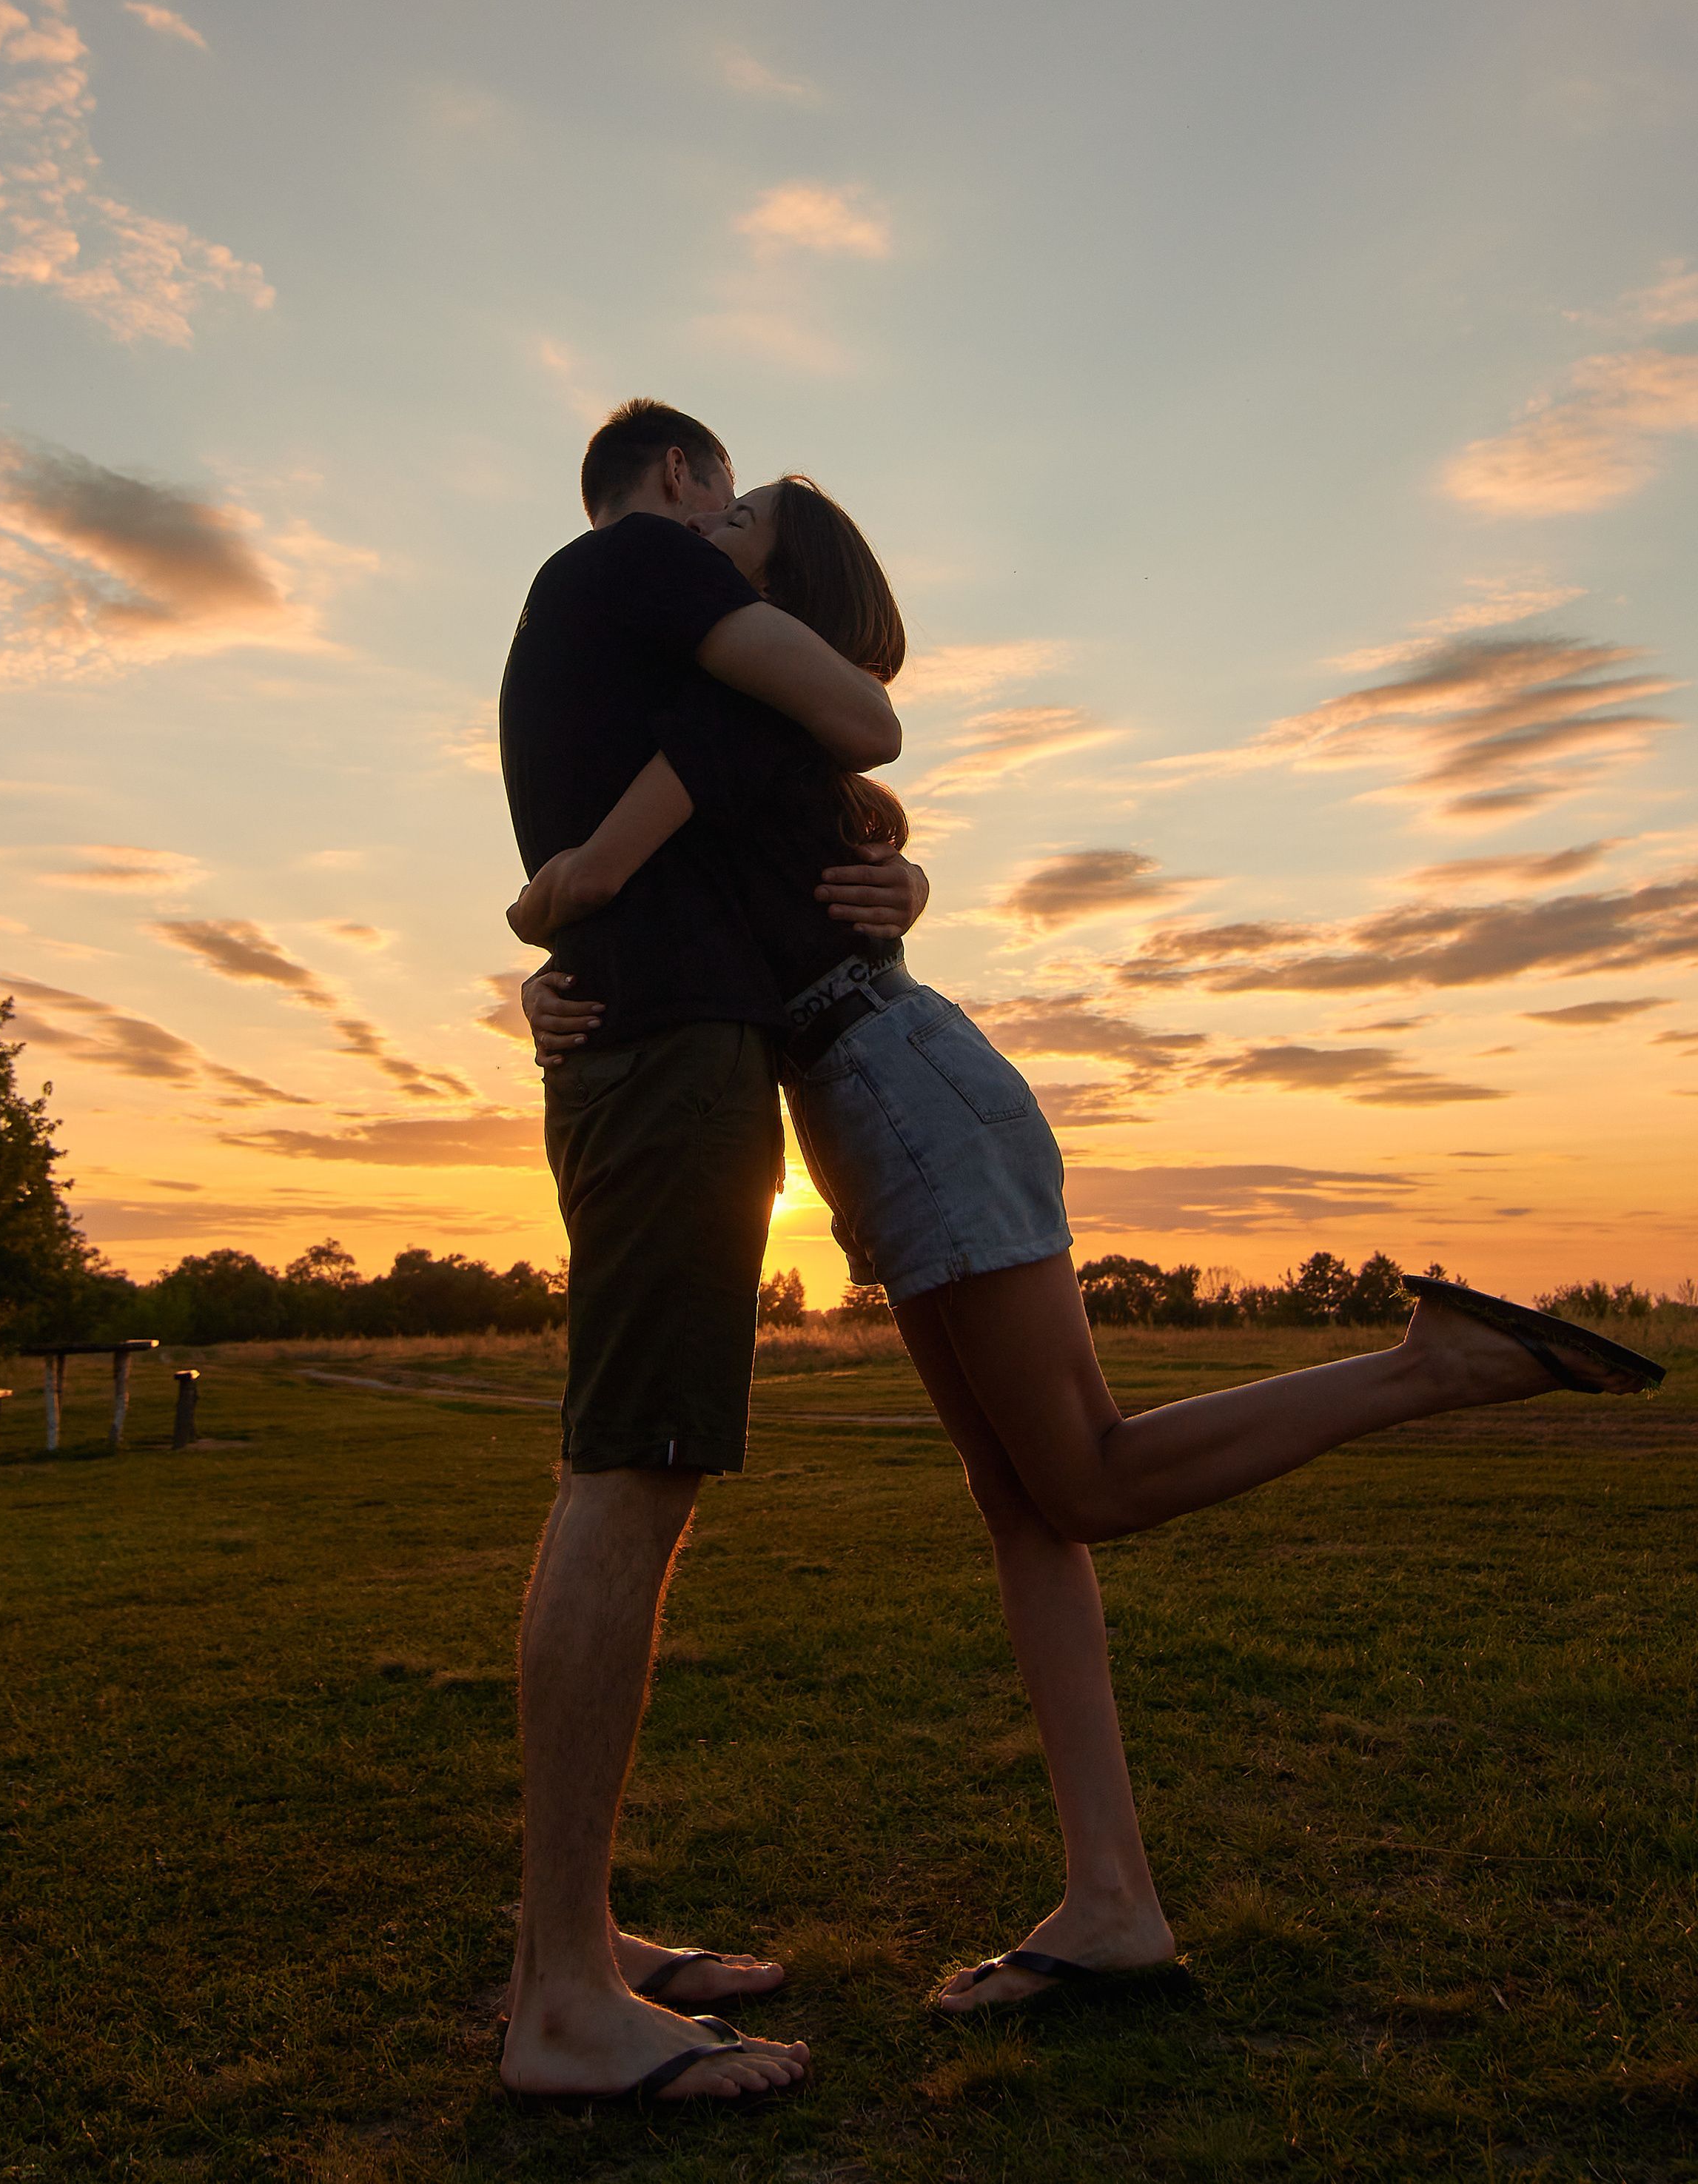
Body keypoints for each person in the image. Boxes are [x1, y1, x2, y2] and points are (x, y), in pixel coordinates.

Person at [511, 473, 1663, 2019]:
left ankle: (1431, 1364)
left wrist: (556, 910)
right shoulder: (747, 736)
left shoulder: (749, 725)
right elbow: (685, 894)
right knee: (1024, 1504)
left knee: (1084, 1478)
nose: (701, 544)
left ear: (788, 600)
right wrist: (557, 970)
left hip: (904, 1091)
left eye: (739, 535)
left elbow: (629, 861)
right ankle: (1111, 1899)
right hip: (884, 1099)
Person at [495, 403, 927, 2106]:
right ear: (680, 481)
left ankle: (582, 1938)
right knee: (633, 1468)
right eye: (726, 499)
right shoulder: (640, 562)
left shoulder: (649, 668)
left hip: (655, 1046)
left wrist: (892, 876)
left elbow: (790, 814)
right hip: (665, 1060)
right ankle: (559, 1998)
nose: (729, 530)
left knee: (629, 1467)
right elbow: (865, 715)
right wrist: (570, 910)